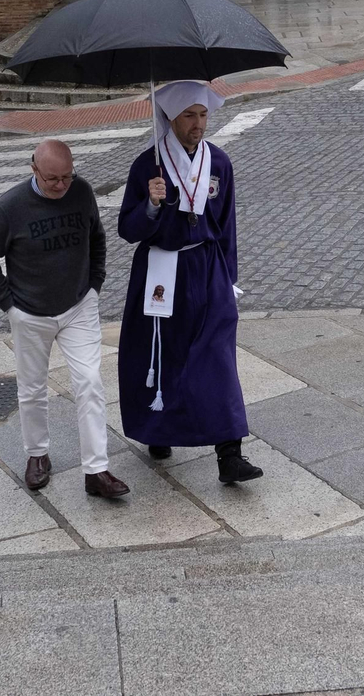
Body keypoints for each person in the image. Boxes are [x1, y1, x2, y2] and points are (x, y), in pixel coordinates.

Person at [117, 81, 262, 486]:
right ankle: (157, 430)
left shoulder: (220, 164)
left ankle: (230, 452)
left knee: (217, 356)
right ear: (170, 119)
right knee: (162, 354)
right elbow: (127, 229)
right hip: (161, 271)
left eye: (202, 115)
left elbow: (227, 225)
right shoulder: (148, 167)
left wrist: (230, 279)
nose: (198, 125)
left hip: (208, 266)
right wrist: (151, 204)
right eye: (189, 116)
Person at [0, 140, 129, 499]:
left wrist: (94, 285)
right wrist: (9, 305)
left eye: (66, 177)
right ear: (34, 170)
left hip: (78, 305)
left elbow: (97, 238)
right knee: (31, 389)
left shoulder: (82, 191)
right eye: (52, 179)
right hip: (29, 312)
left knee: (89, 381)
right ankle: (37, 455)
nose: (61, 186)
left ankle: (96, 470)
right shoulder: (10, 207)